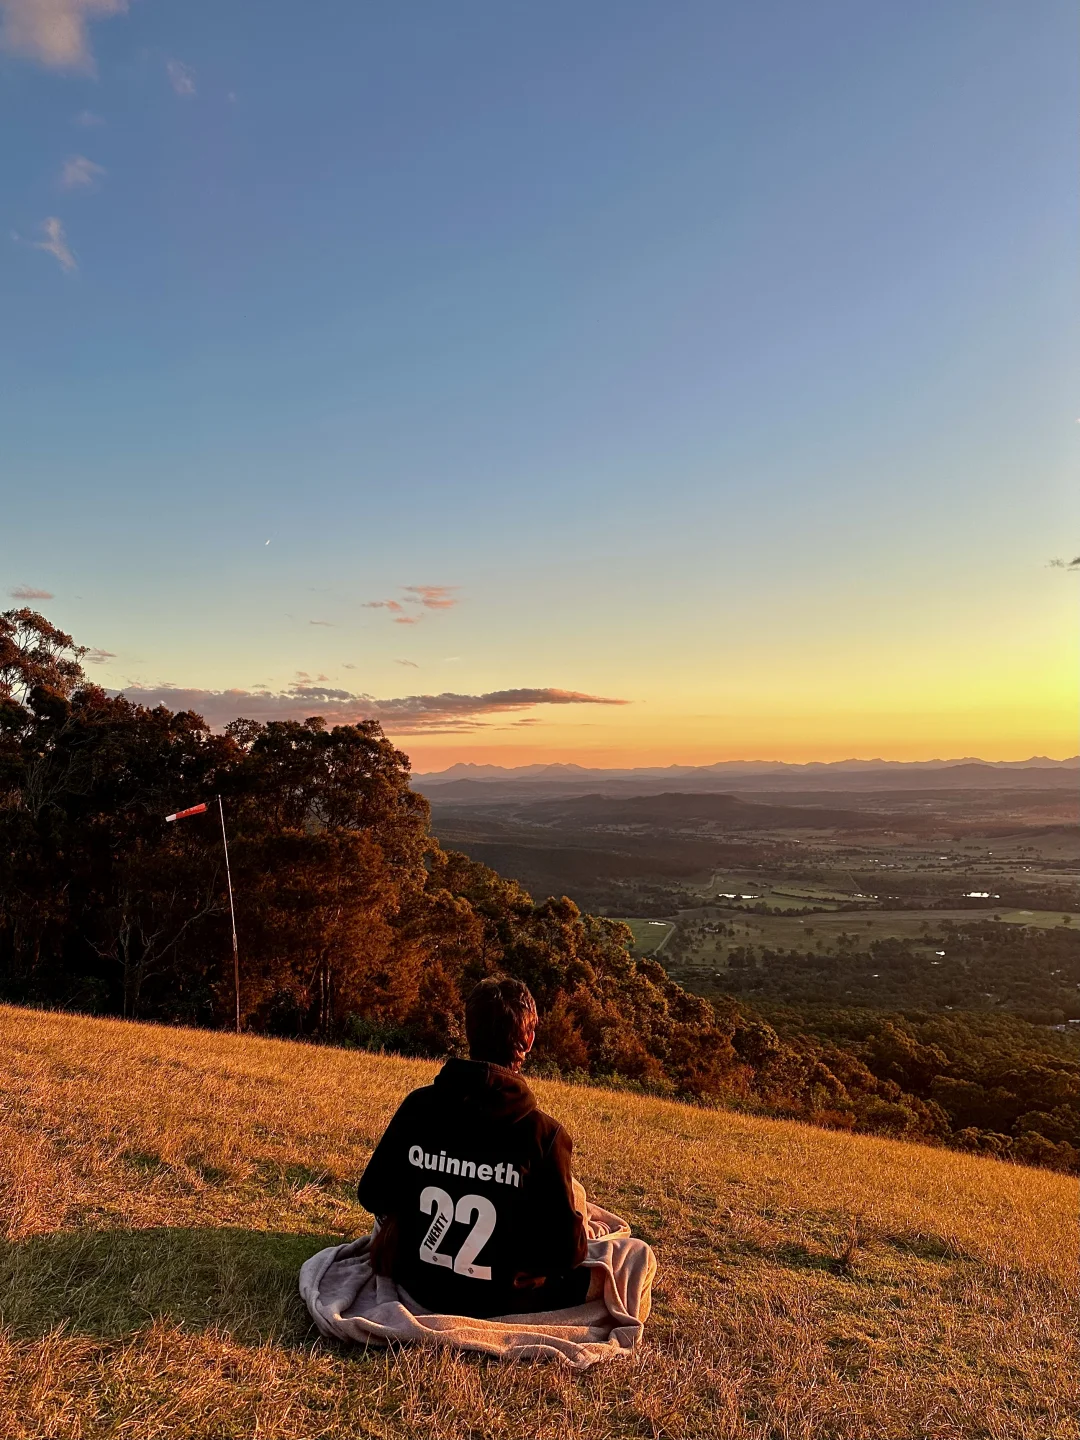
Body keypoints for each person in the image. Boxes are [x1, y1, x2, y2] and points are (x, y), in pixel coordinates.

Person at [356, 976, 590, 1318]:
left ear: (469, 1032)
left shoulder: (418, 1107)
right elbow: (569, 1253)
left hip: (418, 1282)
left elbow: (372, 1195)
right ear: (528, 1039)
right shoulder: (545, 1135)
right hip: (502, 1299)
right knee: (620, 1247)